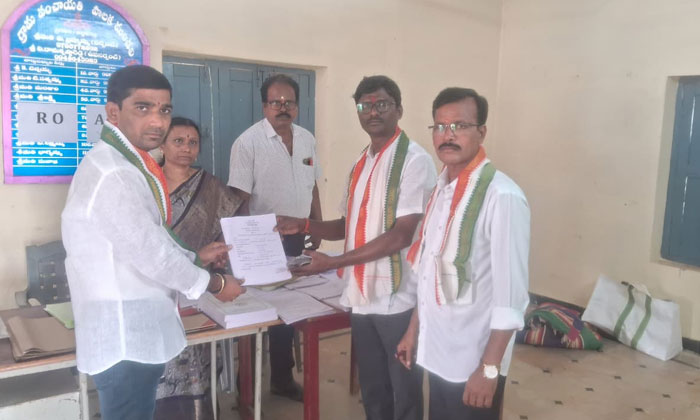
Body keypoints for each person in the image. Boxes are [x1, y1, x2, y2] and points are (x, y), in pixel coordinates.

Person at [62, 65, 244, 420]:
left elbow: (148, 236)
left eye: (164, 110)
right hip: (126, 335)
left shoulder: (128, 164)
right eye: (143, 108)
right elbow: (153, 254)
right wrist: (216, 284)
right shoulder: (115, 172)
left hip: (135, 327)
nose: (158, 121)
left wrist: (195, 257)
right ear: (113, 112)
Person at [276, 75, 437, 420]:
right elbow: (347, 226)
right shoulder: (361, 162)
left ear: (399, 109)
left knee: (404, 393)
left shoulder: (414, 161)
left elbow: (401, 235)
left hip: (398, 298)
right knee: (373, 388)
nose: (373, 112)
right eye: (365, 106)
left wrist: (333, 262)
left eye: (382, 104)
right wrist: (304, 224)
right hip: (362, 297)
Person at [397, 88, 530, 420]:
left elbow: (511, 299)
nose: (448, 135)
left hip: (473, 361)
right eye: (440, 126)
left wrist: (489, 370)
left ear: (481, 132)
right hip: (438, 352)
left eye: (460, 126)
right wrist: (413, 331)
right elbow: (429, 272)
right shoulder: (440, 191)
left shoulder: (502, 197)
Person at [228, 73, 323, 400]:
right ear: (264, 106)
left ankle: (281, 380)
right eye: (275, 102)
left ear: (297, 105)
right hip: (260, 242)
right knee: (255, 313)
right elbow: (238, 198)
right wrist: (244, 247)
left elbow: (312, 185)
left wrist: (316, 224)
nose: (283, 108)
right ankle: (246, 389)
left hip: (297, 237)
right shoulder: (247, 143)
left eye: (289, 102)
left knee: (288, 311)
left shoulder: (307, 139)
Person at [154, 117, 244, 419]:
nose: (186, 148)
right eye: (178, 141)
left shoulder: (210, 186)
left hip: (198, 288)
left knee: (196, 361)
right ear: (163, 145)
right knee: (159, 363)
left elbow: (226, 226)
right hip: (156, 287)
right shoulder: (148, 184)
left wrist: (219, 253)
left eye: (193, 142)